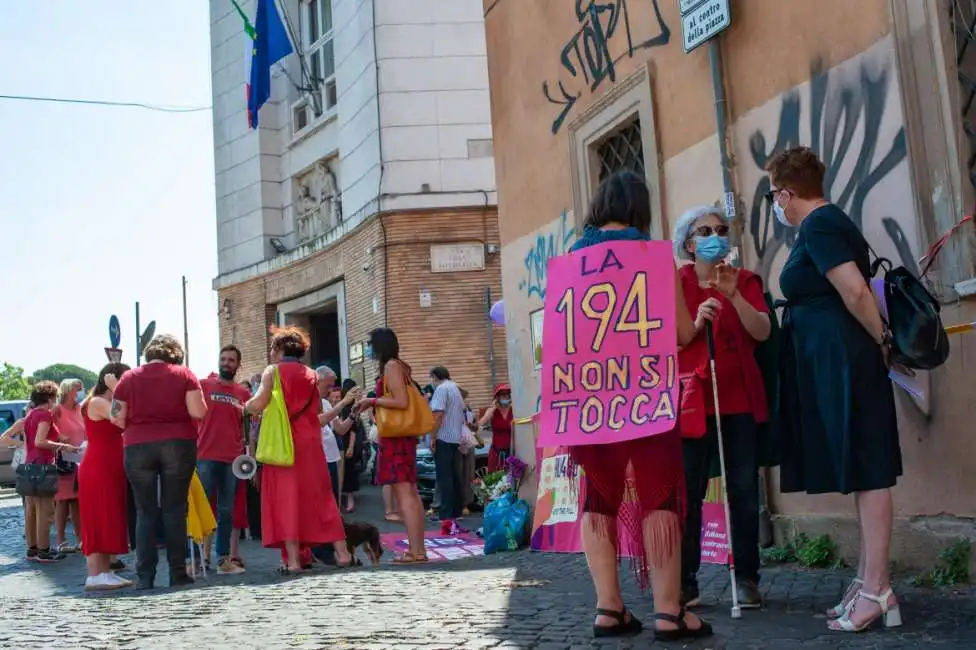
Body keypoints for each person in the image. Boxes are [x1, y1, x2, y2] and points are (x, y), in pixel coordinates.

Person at [566, 171, 711, 641]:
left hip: (589, 395)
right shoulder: (652, 257)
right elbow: (681, 333)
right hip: (645, 392)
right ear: (638, 209)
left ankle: (609, 609)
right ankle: (669, 612)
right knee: (660, 495)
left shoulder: (571, 261)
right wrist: (702, 317)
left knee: (598, 496)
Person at [768, 146, 903, 633]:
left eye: (774, 196)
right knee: (861, 469)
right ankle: (868, 582)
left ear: (785, 192)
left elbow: (855, 290)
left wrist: (882, 341)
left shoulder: (820, 225)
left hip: (847, 360)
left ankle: (878, 590)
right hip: (837, 360)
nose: (776, 206)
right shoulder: (822, 225)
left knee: (869, 469)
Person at [672, 205, 771, 610]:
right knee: (688, 491)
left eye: (721, 229)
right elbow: (675, 338)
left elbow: (762, 331)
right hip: (693, 400)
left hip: (738, 400)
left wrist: (733, 296)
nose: (716, 235)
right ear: (690, 244)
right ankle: (685, 580)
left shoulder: (744, 279)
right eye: (705, 230)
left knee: (744, 490)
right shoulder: (676, 283)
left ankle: (747, 577)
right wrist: (697, 321)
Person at [244, 326, 351, 574]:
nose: (271, 352)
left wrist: (243, 408)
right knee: (323, 498)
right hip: (311, 443)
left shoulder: (273, 372)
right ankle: (343, 553)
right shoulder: (313, 374)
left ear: (281, 349)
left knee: (287, 499)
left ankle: (293, 560)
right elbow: (314, 410)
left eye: (273, 347)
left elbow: (258, 403)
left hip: (283, 445)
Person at [113, 334, 207, 589]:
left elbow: (117, 418)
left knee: (144, 512)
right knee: (175, 509)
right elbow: (198, 411)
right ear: (175, 353)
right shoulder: (184, 374)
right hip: (178, 443)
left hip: (137, 445)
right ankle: (178, 573)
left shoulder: (128, 378)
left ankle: (145, 578)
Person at [354, 328, 427, 563]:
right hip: (399, 437)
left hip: (396, 438)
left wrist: (371, 400)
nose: (368, 348)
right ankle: (417, 549)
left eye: (370, 344)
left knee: (405, 493)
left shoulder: (391, 367)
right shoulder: (398, 366)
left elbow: (401, 401)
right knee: (409, 494)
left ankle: (417, 550)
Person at [195, 345, 251, 575]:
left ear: (238, 365)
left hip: (232, 459)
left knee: (226, 511)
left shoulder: (244, 393)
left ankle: (223, 560)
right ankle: (199, 559)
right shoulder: (204, 386)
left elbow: (247, 427)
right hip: (205, 455)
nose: (226, 363)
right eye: (223, 359)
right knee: (202, 510)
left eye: (231, 360)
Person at [78, 363, 133, 591]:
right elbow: (121, 418)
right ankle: (94, 575)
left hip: (109, 467)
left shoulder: (103, 401)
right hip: (98, 467)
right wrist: (118, 388)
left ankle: (105, 571)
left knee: (108, 515)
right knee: (97, 518)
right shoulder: (99, 402)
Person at [22, 381, 75, 563]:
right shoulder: (45, 415)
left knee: (32, 511)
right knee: (45, 511)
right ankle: (44, 551)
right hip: (43, 466)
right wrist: (63, 446)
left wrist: (61, 439)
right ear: (50, 398)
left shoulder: (30, 415)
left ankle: (32, 549)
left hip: (29, 466)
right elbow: (40, 441)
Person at [428, 366, 466, 534]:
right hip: (455, 438)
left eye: (431, 378)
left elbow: (437, 415)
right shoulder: (455, 388)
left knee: (445, 478)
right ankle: (455, 512)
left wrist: (433, 437)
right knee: (454, 477)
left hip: (443, 437)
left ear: (435, 377)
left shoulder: (442, 389)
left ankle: (446, 514)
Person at [53, 378, 86, 554]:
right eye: (77, 389)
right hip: (63, 459)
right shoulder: (58, 410)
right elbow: (48, 429)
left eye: (81, 389)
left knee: (77, 500)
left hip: (80, 457)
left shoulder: (80, 409)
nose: (80, 392)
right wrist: (60, 438)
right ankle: (61, 539)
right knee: (63, 500)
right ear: (68, 391)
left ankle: (80, 539)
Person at [337, 378, 363, 513]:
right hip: (345, 441)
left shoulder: (345, 406)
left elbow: (353, 429)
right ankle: (347, 499)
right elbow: (353, 429)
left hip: (345, 441)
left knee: (347, 470)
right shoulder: (346, 406)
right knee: (348, 470)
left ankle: (347, 500)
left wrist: (351, 446)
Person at [479, 384, 513, 473]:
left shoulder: (514, 410)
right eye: (502, 394)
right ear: (497, 397)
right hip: (496, 450)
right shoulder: (492, 411)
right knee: (495, 478)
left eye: (507, 394)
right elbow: (481, 423)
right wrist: (492, 408)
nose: (505, 397)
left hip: (512, 450)